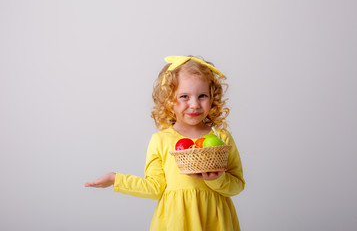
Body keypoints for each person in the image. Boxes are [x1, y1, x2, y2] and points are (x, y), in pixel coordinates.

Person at [85, 55, 245, 231]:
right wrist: (115, 180)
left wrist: (217, 180)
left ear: (212, 97)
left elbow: (237, 184)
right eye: (184, 96)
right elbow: (154, 188)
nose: (194, 104)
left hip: (215, 222)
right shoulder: (161, 141)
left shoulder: (221, 138)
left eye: (202, 96)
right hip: (176, 223)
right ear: (169, 100)